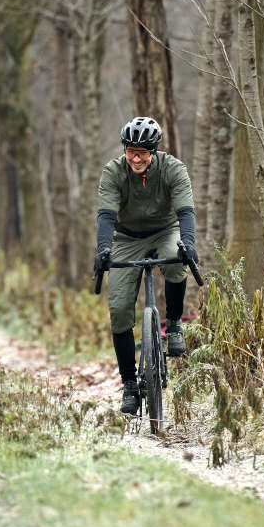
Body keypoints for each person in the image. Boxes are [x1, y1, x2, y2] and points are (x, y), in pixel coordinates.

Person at [94, 117, 197, 415]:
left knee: (177, 262)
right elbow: (106, 216)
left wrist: (187, 243)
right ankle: (128, 384)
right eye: (131, 152)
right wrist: (104, 249)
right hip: (126, 237)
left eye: (142, 152)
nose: (136, 158)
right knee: (119, 309)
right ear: (125, 150)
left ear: (153, 151)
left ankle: (174, 325)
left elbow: (186, 211)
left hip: (166, 230)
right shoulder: (113, 172)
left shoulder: (173, 169)